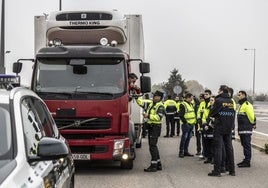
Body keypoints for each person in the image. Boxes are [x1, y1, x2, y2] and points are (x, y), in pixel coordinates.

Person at [208, 85, 235, 177]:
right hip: (228, 127)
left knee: (218, 149)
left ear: (221, 91)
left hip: (219, 127)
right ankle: (232, 170)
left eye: (218, 90)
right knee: (229, 148)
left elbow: (212, 113)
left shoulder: (219, 101)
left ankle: (217, 171)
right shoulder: (231, 101)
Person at [142, 90, 165, 172]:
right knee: (153, 146)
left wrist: (148, 115)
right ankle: (158, 165)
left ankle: (153, 166)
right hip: (152, 127)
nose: (154, 97)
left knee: (152, 146)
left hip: (155, 127)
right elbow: (141, 103)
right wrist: (136, 97)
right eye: (154, 96)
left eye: (155, 96)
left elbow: (159, 117)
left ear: (159, 97)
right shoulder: (152, 104)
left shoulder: (160, 106)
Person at [236, 90, 256, 168]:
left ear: (244, 95)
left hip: (246, 129)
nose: (238, 96)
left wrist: (253, 123)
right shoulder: (242, 105)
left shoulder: (247, 104)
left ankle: (247, 161)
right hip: (242, 129)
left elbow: (251, 116)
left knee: (247, 145)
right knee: (244, 145)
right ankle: (245, 159)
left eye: (239, 95)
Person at [178, 93, 196, 158]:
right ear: (187, 98)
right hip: (186, 124)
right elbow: (181, 115)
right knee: (184, 138)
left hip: (191, 124)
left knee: (188, 138)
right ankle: (181, 152)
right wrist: (185, 123)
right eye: (191, 98)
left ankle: (186, 151)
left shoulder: (190, 104)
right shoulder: (183, 104)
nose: (192, 99)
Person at [197, 90, 212, 160]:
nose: (205, 95)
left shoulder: (211, 103)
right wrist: (199, 120)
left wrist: (208, 123)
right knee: (204, 140)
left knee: (210, 141)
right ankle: (205, 154)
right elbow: (198, 113)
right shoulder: (202, 103)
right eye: (205, 94)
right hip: (203, 124)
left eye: (207, 94)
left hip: (209, 124)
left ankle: (210, 156)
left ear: (210, 95)